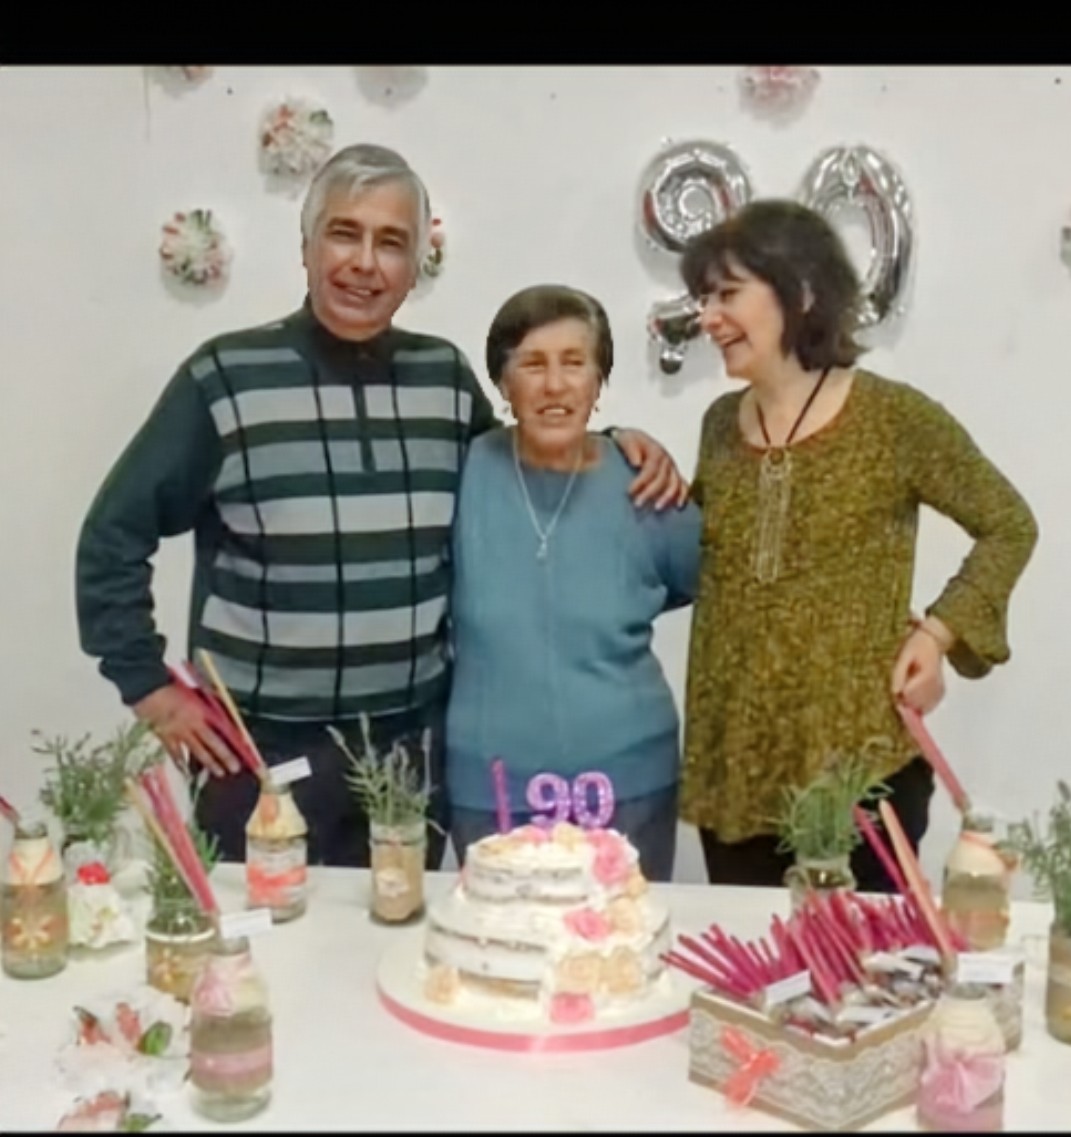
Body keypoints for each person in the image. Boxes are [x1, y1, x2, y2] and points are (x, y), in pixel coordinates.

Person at [75, 144, 688, 871]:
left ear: (414, 265)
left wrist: (616, 444)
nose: (365, 263)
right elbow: (113, 535)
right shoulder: (225, 377)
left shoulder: (443, 380)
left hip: (409, 753)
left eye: (391, 242)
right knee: (262, 936)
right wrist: (147, 686)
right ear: (307, 246)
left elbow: (526, 459)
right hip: (260, 750)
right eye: (345, 233)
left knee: (399, 930)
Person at [678, 199, 1038, 890]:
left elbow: (1008, 524)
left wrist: (937, 633)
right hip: (738, 776)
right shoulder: (719, 424)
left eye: (727, 294)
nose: (708, 318)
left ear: (801, 292)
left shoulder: (892, 418)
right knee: (754, 957)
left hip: (862, 772)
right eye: (704, 298)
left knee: (869, 959)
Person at [445, 285, 702, 881]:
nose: (555, 385)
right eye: (533, 365)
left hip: (631, 784)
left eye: (574, 362)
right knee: (500, 936)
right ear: (503, 383)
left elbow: (710, 588)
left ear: (598, 380)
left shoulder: (647, 487)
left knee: (619, 936)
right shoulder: (462, 473)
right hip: (490, 787)